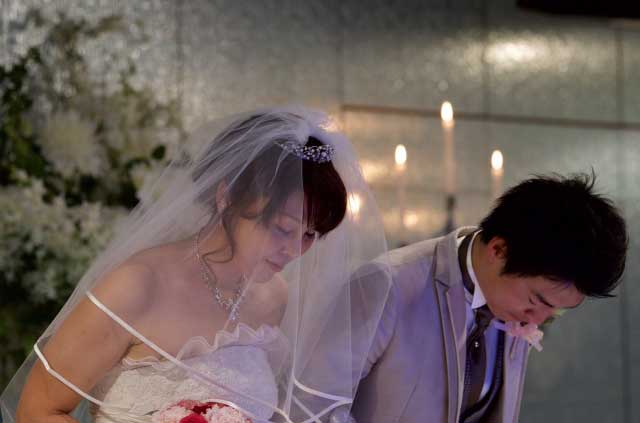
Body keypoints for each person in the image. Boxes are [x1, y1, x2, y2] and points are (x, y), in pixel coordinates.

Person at [0, 107, 391, 423]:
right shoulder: (138, 286)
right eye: (282, 227)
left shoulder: (273, 298)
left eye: (310, 235)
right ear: (226, 197)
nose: (293, 249)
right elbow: (38, 410)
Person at [350, 173, 628, 423]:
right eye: (536, 301)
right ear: (499, 250)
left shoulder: (509, 305)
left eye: (556, 312)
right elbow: (316, 406)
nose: (539, 321)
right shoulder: (388, 284)